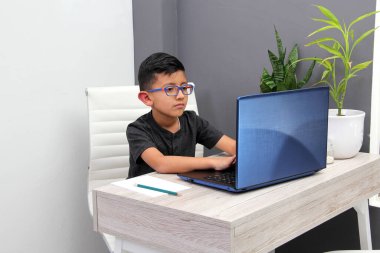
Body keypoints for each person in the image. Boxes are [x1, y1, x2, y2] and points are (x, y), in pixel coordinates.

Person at [127, 52, 236, 178]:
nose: (181, 96)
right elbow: (161, 163)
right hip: (143, 193)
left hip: (182, 190)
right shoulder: (137, 129)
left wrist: (245, 153)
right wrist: (213, 162)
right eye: (169, 89)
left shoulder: (193, 121)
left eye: (184, 87)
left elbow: (232, 146)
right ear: (146, 98)